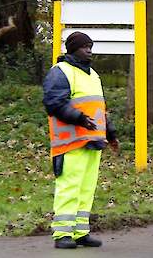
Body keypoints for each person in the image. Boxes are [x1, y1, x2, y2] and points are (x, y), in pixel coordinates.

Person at [43, 31, 119, 249]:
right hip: (70, 143)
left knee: (86, 189)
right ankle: (62, 234)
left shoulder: (93, 75)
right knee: (69, 187)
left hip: (93, 141)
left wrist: (110, 133)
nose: (89, 51)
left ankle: (80, 232)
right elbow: (54, 103)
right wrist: (79, 118)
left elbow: (98, 108)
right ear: (73, 49)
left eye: (90, 47)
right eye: (85, 47)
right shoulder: (61, 71)